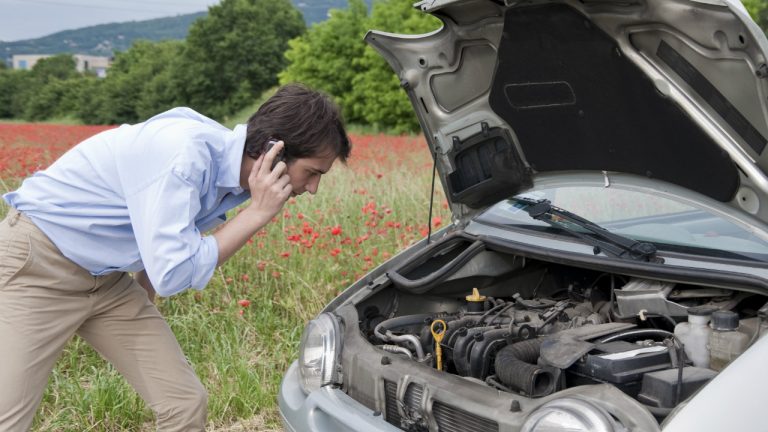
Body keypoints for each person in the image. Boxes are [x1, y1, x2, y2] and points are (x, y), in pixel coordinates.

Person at [0, 83, 351, 431]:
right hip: (39, 265)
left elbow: (163, 235)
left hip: (105, 279)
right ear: (274, 152)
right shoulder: (185, 156)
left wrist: (142, 298)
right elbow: (174, 273)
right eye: (312, 172)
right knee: (8, 418)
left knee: (183, 403)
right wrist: (257, 213)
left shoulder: (229, 172)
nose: (312, 188)